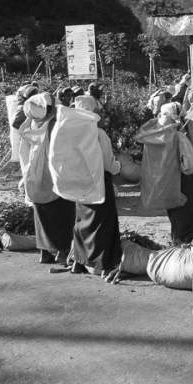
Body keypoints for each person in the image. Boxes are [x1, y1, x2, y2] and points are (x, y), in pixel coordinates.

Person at [19, 92, 77, 265]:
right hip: (54, 174)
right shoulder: (55, 125)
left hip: (35, 175)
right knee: (62, 212)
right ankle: (61, 250)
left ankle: (45, 252)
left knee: (42, 215)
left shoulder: (30, 124)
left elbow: (24, 154)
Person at [68, 95, 123, 278]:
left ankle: (79, 261)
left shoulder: (70, 132)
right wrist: (117, 168)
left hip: (79, 183)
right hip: (99, 182)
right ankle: (103, 264)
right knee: (102, 223)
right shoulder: (98, 134)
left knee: (82, 220)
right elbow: (108, 162)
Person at [135, 102, 193, 245]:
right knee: (189, 211)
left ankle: (176, 239)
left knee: (174, 211)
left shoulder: (151, 136)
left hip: (163, 182)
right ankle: (182, 243)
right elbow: (189, 165)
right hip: (181, 180)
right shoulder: (178, 137)